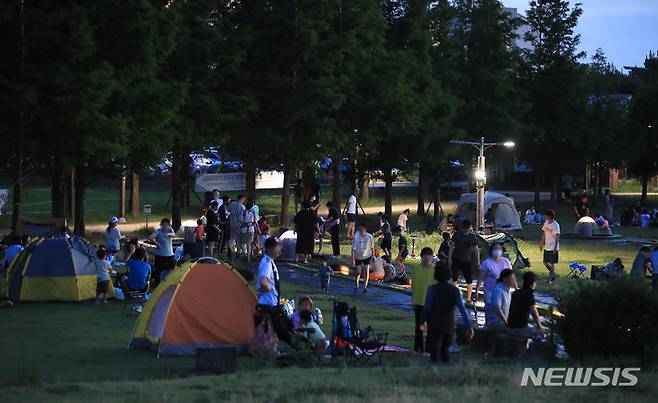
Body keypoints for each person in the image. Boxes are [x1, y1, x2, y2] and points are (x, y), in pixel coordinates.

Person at [420, 262, 474, 363]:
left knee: (434, 353)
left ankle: (433, 372)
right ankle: (446, 372)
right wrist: (469, 325)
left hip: (434, 324)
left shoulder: (431, 289)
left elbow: (427, 307)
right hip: (449, 325)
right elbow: (462, 309)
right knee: (445, 352)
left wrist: (422, 321)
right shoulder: (455, 290)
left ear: (435, 275)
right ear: (449, 275)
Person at [412, 247, 437, 353]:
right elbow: (413, 286)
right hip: (418, 301)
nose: (426, 260)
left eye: (429, 258)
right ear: (421, 257)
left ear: (432, 258)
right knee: (419, 326)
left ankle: (429, 348)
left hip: (431, 303)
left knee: (431, 327)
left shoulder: (435, 270)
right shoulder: (417, 268)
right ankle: (418, 348)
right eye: (424, 258)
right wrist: (412, 301)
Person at [507, 271, 544, 338]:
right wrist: (540, 326)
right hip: (520, 329)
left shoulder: (516, 293)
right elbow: (534, 313)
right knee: (545, 332)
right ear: (533, 283)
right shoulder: (529, 295)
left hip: (510, 327)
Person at [450, 219, 479, 302]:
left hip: (467, 260)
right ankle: (454, 297)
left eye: (468, 228)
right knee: (454, 277)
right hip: (456, 259)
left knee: (469, 279)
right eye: (465, 228)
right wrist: (449, 258)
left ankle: (469, 298)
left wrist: (478, 262)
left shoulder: (472, 237)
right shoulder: (457, 235)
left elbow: (476, 250)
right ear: (463, 227)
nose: (466, 230)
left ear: (470, 228)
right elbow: (452, 247)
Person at [148, 218, 175, 286]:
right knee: (158, 271)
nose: (164, 226)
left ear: (169, 225)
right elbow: (150, 237)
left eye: (166, 225)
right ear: (161, 225)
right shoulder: (158, 231)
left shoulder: (170, 230)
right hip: (160, 255)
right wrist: (157, 244)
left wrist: (170, 234)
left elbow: (174, 234)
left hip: (170, 254)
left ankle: (171, 283)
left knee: (173, 269)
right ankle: (157, 285)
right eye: (163, 225)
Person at [257, 237, 281, 307]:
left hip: (270, 302)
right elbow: (263, 282)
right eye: (276, 247)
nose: (279, 249)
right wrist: (271, 289)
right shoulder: (266, 263)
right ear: (269, 249)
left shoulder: (269, 261)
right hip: (268, 303)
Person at [352, 222, 374, 293]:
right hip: (358, 256)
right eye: (360, 229)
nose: (361, 230)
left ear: (365, 229)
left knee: (366, 271)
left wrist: (373, 256)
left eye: (362, 229)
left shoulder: (369, 236)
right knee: (358, 272)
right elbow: (353, 249)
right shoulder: (356, 237)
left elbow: (372, 247)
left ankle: (365, 286)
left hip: (367, 256)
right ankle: (356, 284)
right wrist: (353, 260)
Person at [540, 209, 560, 283]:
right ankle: (553, 274)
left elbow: (557, 237)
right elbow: (544, 233)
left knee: (552, 263)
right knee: (545, 262)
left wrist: (555, 248)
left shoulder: (556, 225)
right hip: (547, 246)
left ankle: (550, 278)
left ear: (550, 216)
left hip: (553, 247)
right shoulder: (546, 223)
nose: (545, 217)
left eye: (546, 215)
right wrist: (541, 243)